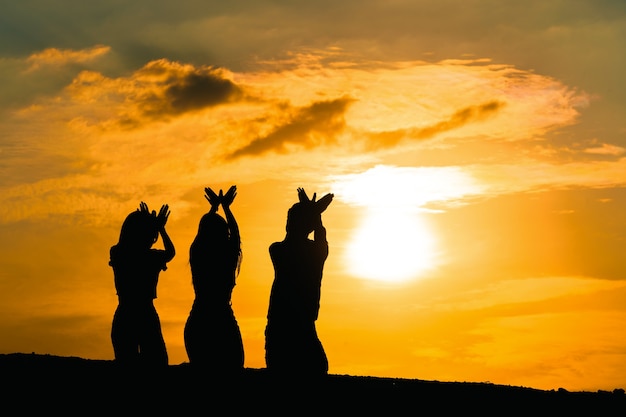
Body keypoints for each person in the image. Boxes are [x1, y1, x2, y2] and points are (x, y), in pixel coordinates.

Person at [265, 187, 333, 377]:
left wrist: (312, 212)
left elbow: (317, 237)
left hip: (281, 326)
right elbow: (321, 236)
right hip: (298, 325)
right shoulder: (315, 254)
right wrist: (315, 213)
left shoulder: (277, 250)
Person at [184, 185, 244, 373]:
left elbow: (200, 236)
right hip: (222, 322)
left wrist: (214, 209)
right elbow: (236, 236)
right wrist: (226, 208)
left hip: (198, 323)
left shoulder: (198, 253)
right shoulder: (227, 257)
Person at [109, 202, 175, 370]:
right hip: (146, 316)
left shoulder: (117, 253)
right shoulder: (151, 258)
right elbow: (171, 253)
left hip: (124, 316)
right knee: (157, 365)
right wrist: (160, 228)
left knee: (127, 366)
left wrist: (150, 225)